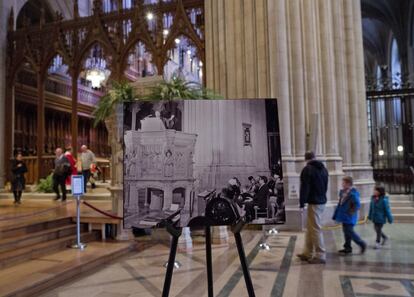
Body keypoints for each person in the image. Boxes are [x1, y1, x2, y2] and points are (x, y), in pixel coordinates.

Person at [297, 151, 329, 264]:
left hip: (314, 202)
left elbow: (304, 187)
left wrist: (301, 203)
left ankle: (320, 255)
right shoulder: (323, 169)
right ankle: (307, 252)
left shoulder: (308, 169)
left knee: (315, 228)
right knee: (310, 228)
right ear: (314, 158)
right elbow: (325, 186)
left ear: (306, 159)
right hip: (321, 201)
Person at [333, 176, 366, 255]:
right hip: (343, 215)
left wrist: (350, 212)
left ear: (348, 184)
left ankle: (362, 244)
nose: (342, 184)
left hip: (349, 216)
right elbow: (341, 203)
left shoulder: (353, 194)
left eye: (343, 182)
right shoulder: (343, 192)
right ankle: (347, 248)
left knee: (350, 232)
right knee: (346, 231)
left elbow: (357, 205)